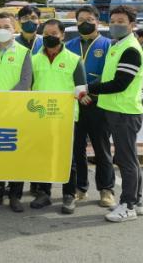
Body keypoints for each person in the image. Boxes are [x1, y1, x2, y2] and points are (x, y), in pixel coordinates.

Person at [88, 6, 143, 223]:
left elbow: (120, 83)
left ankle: (128, 206)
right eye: (112, 21)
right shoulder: (117, 45)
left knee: (125, 160)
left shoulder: (130, 49)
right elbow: (108, 78)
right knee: (129, 158)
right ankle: (136, 201)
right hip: (116, 110)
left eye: (121, 21)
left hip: (124, 112)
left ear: (132, 25)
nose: (115, 25)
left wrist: (89, 88)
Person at [30, 19, 88, 214]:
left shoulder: (74, 59)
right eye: (46, 34)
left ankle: (68, 195)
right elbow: (29, 87)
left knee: (67, 158)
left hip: (66, 117)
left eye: (54, 34)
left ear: (62, 35)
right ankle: (43, 193)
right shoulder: (34, 59)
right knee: (42, 155)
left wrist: (80, 95)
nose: (50, 37)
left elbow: (81, 89)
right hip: (40, 115)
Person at [0, 12, 32, 213]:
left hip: (15, 111)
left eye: (6, 27)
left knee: (16, 154)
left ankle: (15, 195)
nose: (2, 30)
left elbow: (25, 82)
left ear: (15, 29)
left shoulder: (23, 52)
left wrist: (5, 99)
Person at [65, 5, 115, 207]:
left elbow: (109, 74)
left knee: (102, 149)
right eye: (81, 20)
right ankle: (80, 188)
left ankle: (106, 190)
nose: (85, 23)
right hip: (75, 104)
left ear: (98, 22)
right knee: (77, 149)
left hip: (98, 103)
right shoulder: (69, 45)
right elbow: (64, 74)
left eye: (89, 20)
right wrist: (78, 94)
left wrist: (89, 93)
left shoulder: (108, 45)